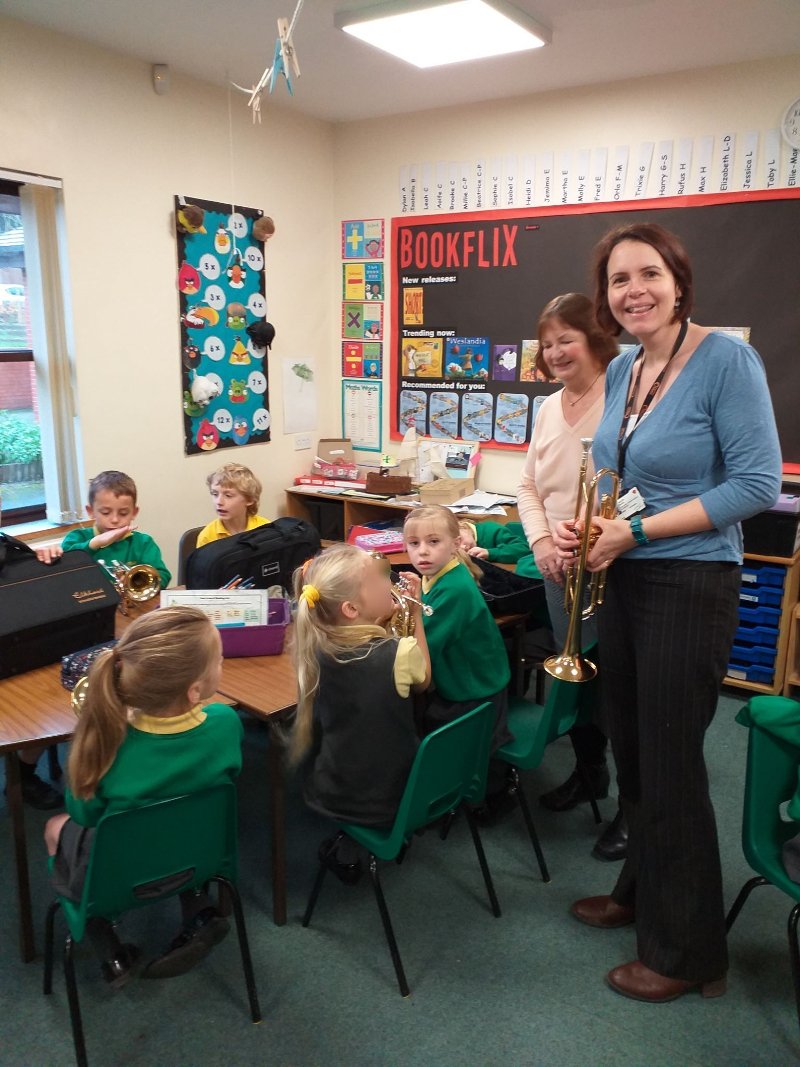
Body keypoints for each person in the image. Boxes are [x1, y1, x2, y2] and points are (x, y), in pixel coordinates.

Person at [561, 222, 782, 1003]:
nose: (634, 291)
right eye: (619, 281)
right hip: (626, 574)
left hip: (689, 583)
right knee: (633, 747)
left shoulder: (726, 359)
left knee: (673, 761)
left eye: (648, 274)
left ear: (678, 281)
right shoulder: (624, 365)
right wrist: (589, 523)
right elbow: (615, 466)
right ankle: (640, 891)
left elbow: (755, 487)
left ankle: (689, 952)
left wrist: (637, 530)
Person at [43, 606, 242, 986]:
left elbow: (84, 816)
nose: (223, 662)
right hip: (199, 857)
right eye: (219, 659)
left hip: (119, 878)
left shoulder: (106, 746)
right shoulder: (226, 724)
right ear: (195, 690)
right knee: (183, 814)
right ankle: (200, 908)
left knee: (55, 826)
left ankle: (107, 941)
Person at [515, 293, 624, 860]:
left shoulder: (625, 398)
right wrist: (539, 542)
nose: (556, 352)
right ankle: (590, 773)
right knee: (575, 673)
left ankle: (634, 806)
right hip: (558, 569)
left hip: (613, 566)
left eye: (567, 340)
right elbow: (528, 486)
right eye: (548, 342)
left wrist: (598, 535)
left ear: (596, 340)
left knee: (618, 686)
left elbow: (643, 487)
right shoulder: (547, 407)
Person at [289, 544, 430, 882]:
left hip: (336, 791)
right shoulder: (401, 652)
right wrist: (417, 620)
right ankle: (368, 842)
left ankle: (350, 847)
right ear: (351, 608)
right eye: (378, 579)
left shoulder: (313, 648)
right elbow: (424, 679)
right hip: (397, 795)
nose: (389, 581)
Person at [404, 505, 512, 785]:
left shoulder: (454, 588)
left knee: (467, 750)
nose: (422, 552)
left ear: (455, 545)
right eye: (414, 544)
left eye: (433, 541)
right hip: (467, 679)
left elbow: (422, 645)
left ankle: (496, 792)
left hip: (474, 689)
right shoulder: (439, 574)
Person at [60, 470, 171, 587]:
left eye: (123, 513)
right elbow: (65, 567)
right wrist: (94, 544)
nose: (114, 520)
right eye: (105, 512)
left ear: (134, 513)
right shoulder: (76, 538)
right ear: (91, 511)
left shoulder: (144, 543)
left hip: (134, 604)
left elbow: (163, 575)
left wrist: (137, 583)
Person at [196, 461, 269, 547]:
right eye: (215, 494)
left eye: (228, 495)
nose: (219, 502)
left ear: (249, 499)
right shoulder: (207, 536)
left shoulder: (266, 529)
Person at [457, 518, 541, 579]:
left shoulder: (492, 529)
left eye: (460, 539)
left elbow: (524, 549)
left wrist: (489, 553)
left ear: (462, 527)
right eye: (456, 546)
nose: (463, 547)